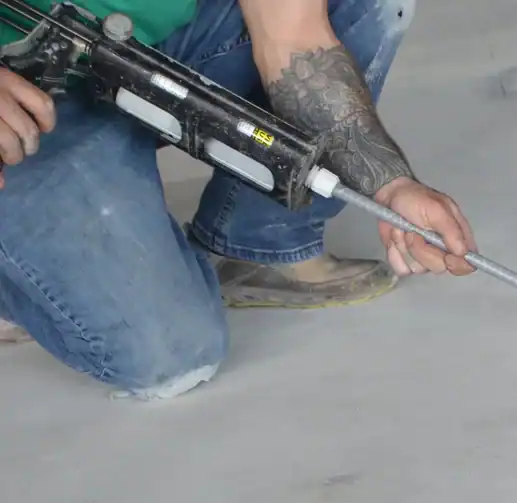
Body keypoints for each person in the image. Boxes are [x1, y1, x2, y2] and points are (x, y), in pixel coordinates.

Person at [0, 0, 478, 399]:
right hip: (19, 101)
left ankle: (255, 243)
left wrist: (389, 183)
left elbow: (295, 38)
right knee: (170, 355)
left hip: (138, 48)